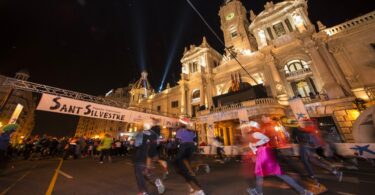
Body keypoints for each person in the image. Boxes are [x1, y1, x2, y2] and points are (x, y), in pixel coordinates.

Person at [242, 121, 313, 195]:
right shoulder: (251, 136)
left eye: (246, 127)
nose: (245, 129)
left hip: (264, 154)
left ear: (251, 127)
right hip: (262, 155)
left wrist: (255, 144)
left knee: (262, 174)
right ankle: (303, 191)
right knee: (274, 174)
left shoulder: (255, 134)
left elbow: (266, 139)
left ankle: (258, 192)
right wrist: (254, 153)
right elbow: (255, 148)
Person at [175, 118, 205, 195]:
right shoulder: (192, 131)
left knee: (183, 170)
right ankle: (192, 188)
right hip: (191, 149)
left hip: (183, 148)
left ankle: (198, 190)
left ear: (182, 124)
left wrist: (176, 145)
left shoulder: (179, 131)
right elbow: (195, 140)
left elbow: (178, 142)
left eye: (179, 122)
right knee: (185, 167)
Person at [134, 121, 165, 195]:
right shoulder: (155, 135)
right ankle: (156, 181)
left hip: (141, 155)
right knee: (146, 171)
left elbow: (137, 144)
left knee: (139, 174)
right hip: (151, 155)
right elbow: (157, 144)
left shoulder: (140, 134)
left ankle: (144, 192)